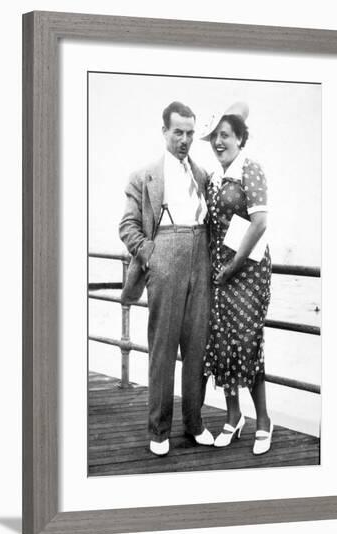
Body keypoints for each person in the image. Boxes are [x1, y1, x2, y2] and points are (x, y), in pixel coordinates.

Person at [119, 101, 214, 456]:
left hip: (200, 255)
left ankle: (194, 422)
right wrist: (151, 254)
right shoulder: (143, 177)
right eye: (178, 132)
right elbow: (127, 226)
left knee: (197, 348)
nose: (185, 139)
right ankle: (158, 430)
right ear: (164, 132)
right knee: (162, 349)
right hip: (165, 256)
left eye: (190, 133)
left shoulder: (201, 175)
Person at [200, 101, 273, 455]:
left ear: (240, 138)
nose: (218, 142)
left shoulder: (250, 170)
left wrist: (234, 266)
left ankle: (264, 421)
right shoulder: (214, 177)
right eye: (214, 136)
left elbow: (259, 223)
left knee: (247, 342)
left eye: (225, 135)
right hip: (220, 271)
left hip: (248, 272)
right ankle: (233, 416)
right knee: (222, 340)